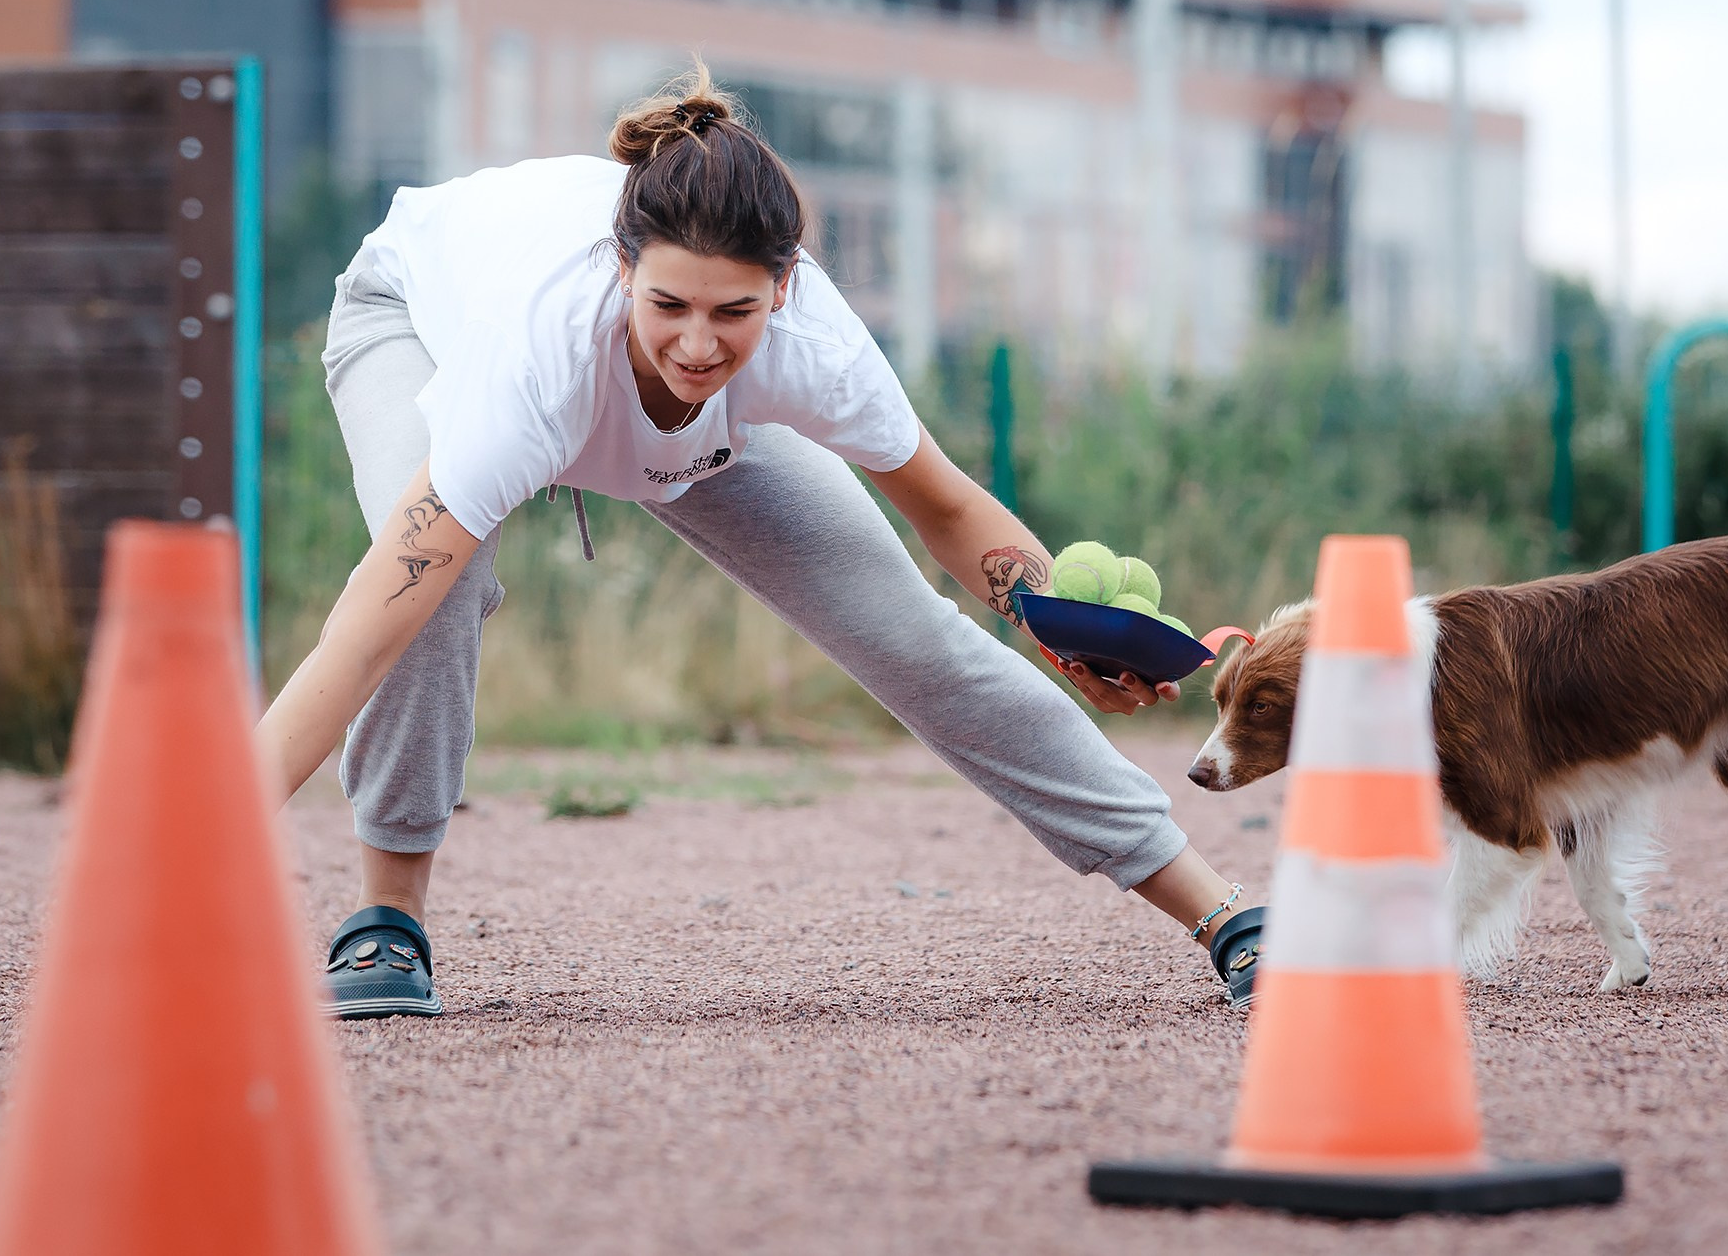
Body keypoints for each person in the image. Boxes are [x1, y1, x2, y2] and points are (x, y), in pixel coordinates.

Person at [252, 66, 1267, 1018]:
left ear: (783, 290)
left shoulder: (811, 352)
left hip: (696, 435)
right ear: (622, 271)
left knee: (908, 632)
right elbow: (362, 637)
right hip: (410, 320)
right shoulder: (533, 366)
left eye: (733, 312)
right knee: (435, 582)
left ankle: (1219, 911)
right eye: (669, 306)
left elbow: (951, 512)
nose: (699, 344)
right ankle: (386, 917)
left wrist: (1058, 623)